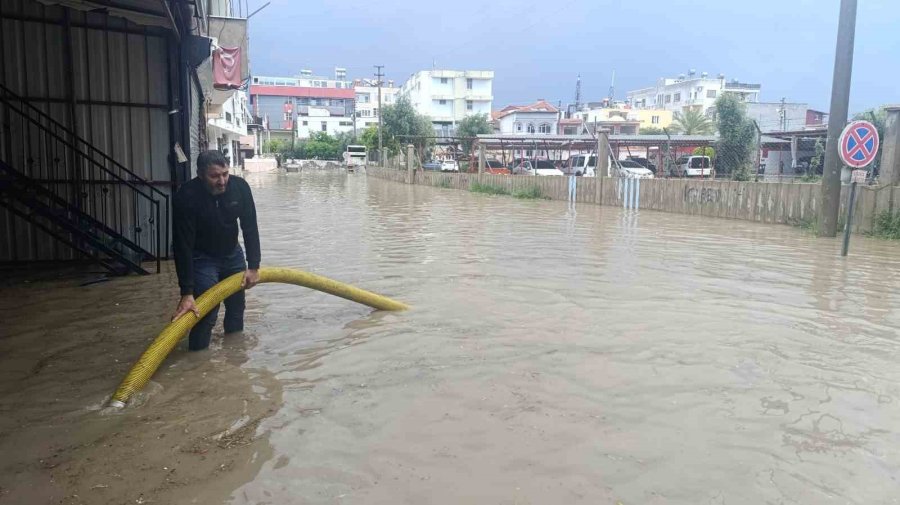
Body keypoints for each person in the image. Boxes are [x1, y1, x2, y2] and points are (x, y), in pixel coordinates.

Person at [171, 150, 261, 351]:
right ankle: (197, 358)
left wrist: (254, 266)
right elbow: (182, 245)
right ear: (201, 174)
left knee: (237, 308)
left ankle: (235, 353)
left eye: (225, 174)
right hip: (202, 258)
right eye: (214, 176)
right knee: (205, 313)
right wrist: (186, 292)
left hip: (232, 253)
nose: (222, 181)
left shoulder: (240, 188)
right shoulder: (186, 196)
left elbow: (250, 227)